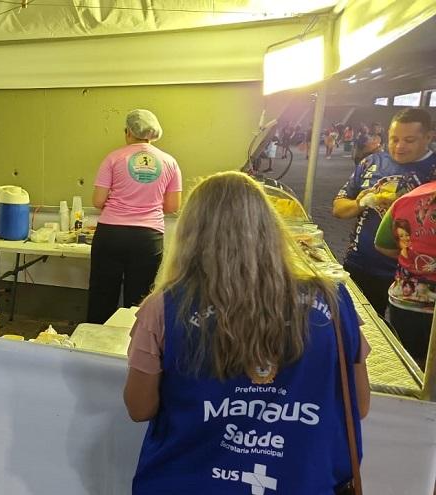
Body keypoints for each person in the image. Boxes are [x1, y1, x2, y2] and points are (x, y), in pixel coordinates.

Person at [124, 171, 370, 494]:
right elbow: (359, 404)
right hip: (302, 481)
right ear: (270, 227)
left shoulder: (164, 307)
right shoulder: (334, 302)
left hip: (187, 481)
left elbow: (139, 408)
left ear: (189, 235)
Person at [332, 108, 436, 316]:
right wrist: (361, 203)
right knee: (361, 328)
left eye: (409, 140)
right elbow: (338, 208)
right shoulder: (372, 162)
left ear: (428, 137)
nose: (399, 146)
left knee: (409, 342)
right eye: (394, 139)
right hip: (362, 265)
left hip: (417, 280)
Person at [87, 109, 182, 324]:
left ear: (128, 132)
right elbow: (173, 205)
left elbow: (98, 201)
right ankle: (132, 350)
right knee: (138, 300)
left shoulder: (113, 158)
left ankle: (92, 350)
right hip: (148, 237)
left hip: (111, 234)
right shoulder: (170, 162)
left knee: (102, 295)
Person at [375, 183, 436, 366]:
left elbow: (382, 244)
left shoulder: (406, 199)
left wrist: (410, 257)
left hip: (408, 300)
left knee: (410, 366)